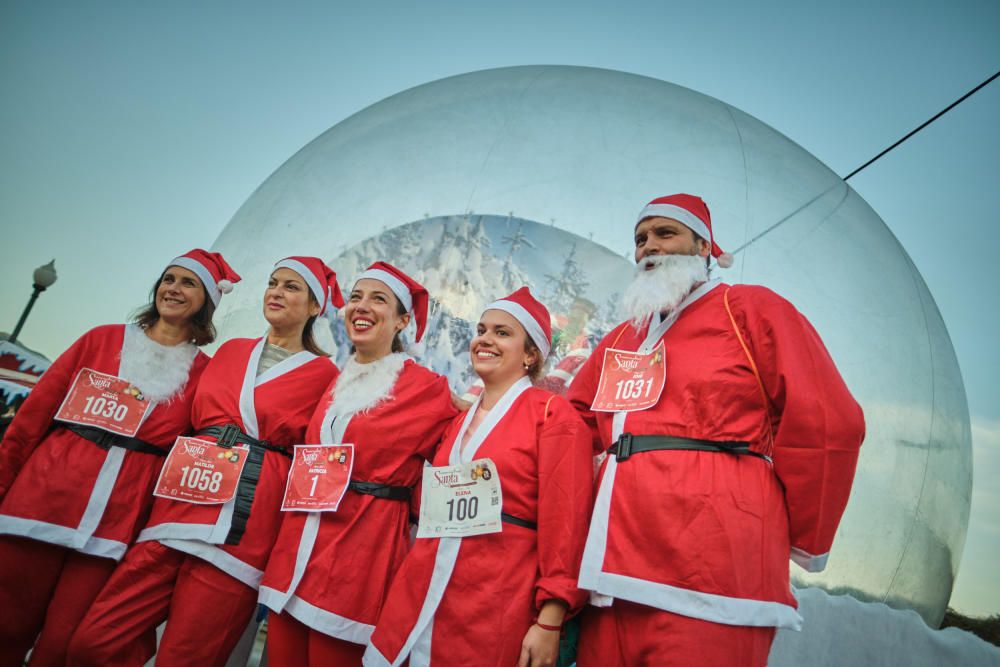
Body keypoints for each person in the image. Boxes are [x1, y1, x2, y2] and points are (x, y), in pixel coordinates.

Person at [568, 194, 866, 666]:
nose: (649, 248)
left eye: (666, 234)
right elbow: (570, 422)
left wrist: (792, 535)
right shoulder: (624, 338)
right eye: (641, 239)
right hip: (612, 571)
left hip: (715, 567)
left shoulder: (749, 308)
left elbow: (827, 421)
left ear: (703, 247)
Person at [69, 256, 341, 667]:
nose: (276, 293)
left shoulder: (326, 376)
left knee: (187, 659)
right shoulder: (229, 352)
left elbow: (321, 458)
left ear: (316, 307)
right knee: (93, 642)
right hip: (177, 510)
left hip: (243, 534)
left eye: (291, 287)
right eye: (273, 283)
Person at [0, 248, 235, 667]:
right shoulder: (101, 339)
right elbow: (30, 421)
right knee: (6, 626)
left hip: (116, 525)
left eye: (188, 283)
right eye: (169, 279)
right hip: (38, 503)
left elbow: (194, 455)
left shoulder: (206, 373)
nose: (173, 289)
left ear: (207, 302)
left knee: (63, 644)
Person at [365, 287, 594, 667]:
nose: (485, 339)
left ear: (531, 354)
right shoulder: (457, 422)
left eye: (502, 333)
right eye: (482, 329)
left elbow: (566, 522)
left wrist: (549, 620)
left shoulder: (553, 415)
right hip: (422, 591)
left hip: (492, 601)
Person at [260, 261, 458, 665]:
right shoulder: (336, 379)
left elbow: (465, 442)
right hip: (295, 556)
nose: (361, 307)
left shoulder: (427, 387)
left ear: (403, 320)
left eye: (378, 299)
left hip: (356, 565)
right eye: (355, 297)